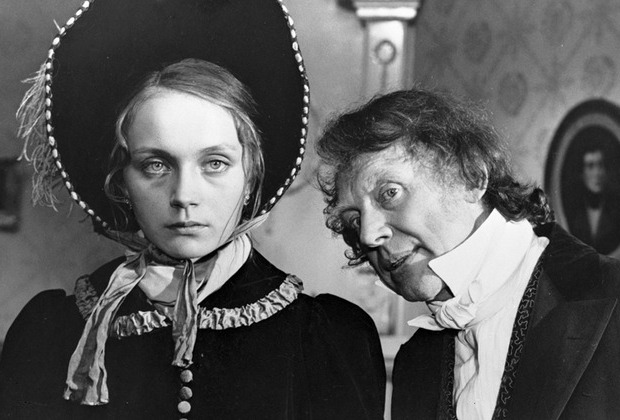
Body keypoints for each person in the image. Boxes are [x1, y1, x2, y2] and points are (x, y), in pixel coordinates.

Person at [0, 1, 386, 418]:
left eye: (214, 164)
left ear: (251, 175)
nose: (184, 195)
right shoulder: (52, 332)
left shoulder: (328, 338)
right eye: (156, 165)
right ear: (122, 182)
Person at [316, 87, 620, 419]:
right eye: (355, 219)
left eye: (390, 193)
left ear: (471, 175)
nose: (368, 234)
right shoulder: (414, 365)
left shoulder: (611, 298)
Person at [564, 130, 620, 254]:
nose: (597, 173)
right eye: (590, 166)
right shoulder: (572, 211)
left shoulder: (617, 209)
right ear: (582, 173)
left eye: (600, 165)